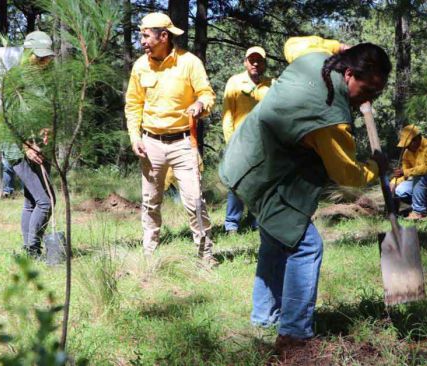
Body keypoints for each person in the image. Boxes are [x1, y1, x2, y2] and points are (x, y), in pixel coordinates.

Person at [219, 36, 390, 350]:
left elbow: (291, 44)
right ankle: (295, 334)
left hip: (243, 157)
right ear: (349, 75)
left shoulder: (315, 57)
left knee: (275, 239)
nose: (367, 101)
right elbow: (348, 177)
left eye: (376, 95)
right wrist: (376, 166)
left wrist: (337, 46)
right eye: (366, 92)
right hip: (264, 174)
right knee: (305, 246)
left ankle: (264, 318)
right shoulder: (331, 118)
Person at [124, 13, 218, 266]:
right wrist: (135, 137)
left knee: (194, 199)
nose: (141, 41)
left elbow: (207, 94)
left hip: (184, 143)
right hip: (151, 143)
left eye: (145, 35)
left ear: (163, 36)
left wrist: (200, 104)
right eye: (141, 35)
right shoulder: (140, 66)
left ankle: (205, 254)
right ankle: (149, 253)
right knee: (150, 202)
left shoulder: (189, 63)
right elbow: (133, 105)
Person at [2, 31, 56, 257]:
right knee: (46, 202)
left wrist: (48, 128)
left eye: (47, 56)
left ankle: (29, 251)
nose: (44, 60)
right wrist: (26, 146)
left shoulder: (44, 77)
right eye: (39, 56)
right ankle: (32, 250)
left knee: (32, 201)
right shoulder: (15, 78)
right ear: (27, 52)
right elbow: (10, 118)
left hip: (39, 148)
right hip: (18, 149)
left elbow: (44, 110)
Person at [221, 46, 273, 234]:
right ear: (245, 62)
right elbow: (227, 115)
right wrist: (231, 142)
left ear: (264, 63)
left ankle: (256, 222)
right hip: (240, 143)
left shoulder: (272, 84)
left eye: (259, 60)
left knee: (261, 184)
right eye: (252, 60)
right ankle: (231, 225)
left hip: (265, 144)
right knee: (237, 183)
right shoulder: (234, 82)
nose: (255, 64)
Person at [391, 124, 427, 220]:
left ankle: (419, 212)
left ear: (417, 139)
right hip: (419, 183)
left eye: (409, 144)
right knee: (400, 190)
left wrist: (404, 172)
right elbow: (404, 174)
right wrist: (393, 183)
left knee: (421, 175)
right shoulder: (407, 153)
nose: (407, 147)